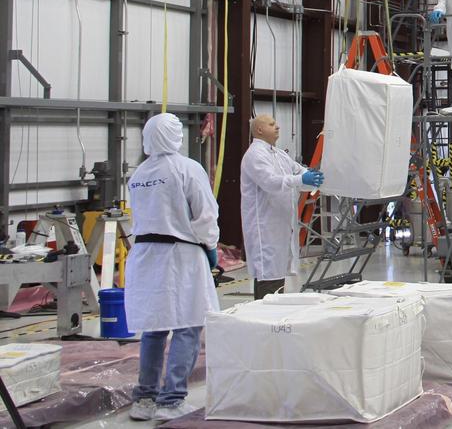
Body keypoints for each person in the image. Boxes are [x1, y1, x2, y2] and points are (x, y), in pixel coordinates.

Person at [124, 113, 220, 422]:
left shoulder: (139, 173)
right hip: (181, 256)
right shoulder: (187, 168)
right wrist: (211, 246)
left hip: (145, 255)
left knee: (154, 328)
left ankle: (145, 397)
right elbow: (205, 215)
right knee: (187, 326)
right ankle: (171, 398)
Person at [240, 114, 323, 300]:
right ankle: (264, 322)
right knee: (268, 277)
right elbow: (270, 182)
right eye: (272, 124)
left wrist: (314, 178)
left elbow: (299, 172)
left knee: (277, 278)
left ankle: (274, 321)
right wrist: (301, 179)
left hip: (281, 228)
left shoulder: (279, 154)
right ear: (259, 130)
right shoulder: (254, 155)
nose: (277, 127)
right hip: (265, 228)